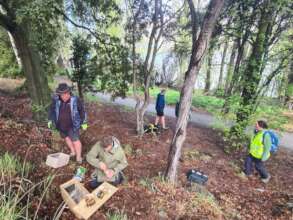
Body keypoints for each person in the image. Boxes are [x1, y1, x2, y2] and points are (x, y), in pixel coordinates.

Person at [48, 83, 87, 163]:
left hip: (72, 125)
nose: (64, 96)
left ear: (69, 92)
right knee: (66, 138)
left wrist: (84, 122)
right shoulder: (56, 99)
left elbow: (82, 111)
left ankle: (78, 157)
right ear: (59, 94)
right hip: (61, 125)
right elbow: (51, 110)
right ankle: (73, 152)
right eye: (62, 94)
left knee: (75, 140)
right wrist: (50, 120)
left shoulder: (75, 100)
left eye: (66, 94)